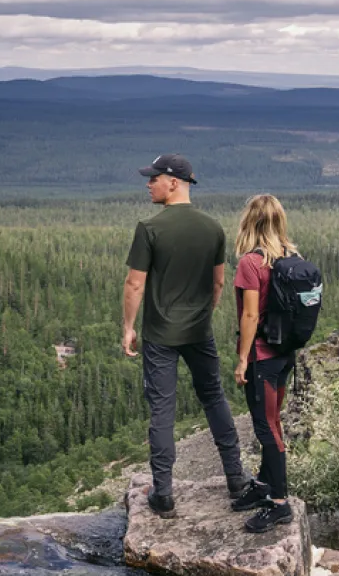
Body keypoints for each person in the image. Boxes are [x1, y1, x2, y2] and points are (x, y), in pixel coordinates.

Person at [122, 154, 254, 515]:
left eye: (154, 178)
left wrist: (129, 327)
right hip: (199, 331)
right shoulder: (212, 228)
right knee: (214, 399)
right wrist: (204, 313)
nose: (148, 184)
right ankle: (236, 480)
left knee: (162, 408)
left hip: (160, 334)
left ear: (174, 182)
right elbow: (219, 282)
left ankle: (163, 495)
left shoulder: (149, 228)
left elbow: (135, 284)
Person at [230, 194, 297, 532]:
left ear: (250, 222)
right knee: (273, 421)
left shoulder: (250, 263)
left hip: (262, 357)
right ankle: (263, 484)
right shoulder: (291, 256)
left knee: (266, 426)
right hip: (285, 355)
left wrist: (243, 359)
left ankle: (280, 503)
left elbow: (251, 314)